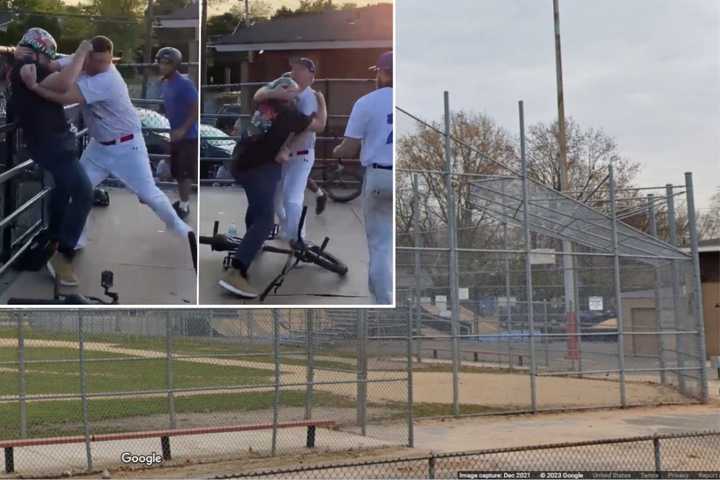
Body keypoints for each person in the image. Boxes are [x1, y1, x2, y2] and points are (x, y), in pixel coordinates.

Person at [21, 36, 197, 270]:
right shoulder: (79, 60)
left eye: (107, 61)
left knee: (149, 194)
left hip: (127, 146)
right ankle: (75, 241)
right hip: (99, 147)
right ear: (87, 58)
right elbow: (52, 68)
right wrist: (35, 67)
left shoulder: (109, 79)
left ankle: (181, 229)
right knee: (78, 192)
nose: (103, 65)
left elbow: (65, 96)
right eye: (99, 61)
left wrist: (33, 86)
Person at [219, 76, 327, 299]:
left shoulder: (262, 106)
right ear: (289, 96)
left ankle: (250, 247)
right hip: (259, 169)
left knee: (257, 208)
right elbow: (320, 125)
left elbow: (265, 133)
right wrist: (322, 104)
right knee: (266, 220)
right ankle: (237, 270)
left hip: (240, 164)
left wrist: (281, 150)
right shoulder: (291, 115)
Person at [8, 28, 94, 286]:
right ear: (37, 53)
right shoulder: (28, 66)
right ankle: (63, 255)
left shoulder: (29, 65)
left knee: (63, 189)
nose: (51, 63)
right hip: (51, 145)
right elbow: (64, 82)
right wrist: (81, 51)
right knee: (83, 192)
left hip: (55, 142)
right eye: (48, 58)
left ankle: (55, 238)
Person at [332, 51, 393, 304]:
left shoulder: (367, 102)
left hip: (379, 175)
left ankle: (382, 300)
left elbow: (350, 147)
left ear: (382, 72)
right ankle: (376, 291)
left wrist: (337, 151)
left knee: (380, 245)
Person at [259, 59, 326, 243]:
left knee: (292, 197)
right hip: (281, 154)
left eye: (300, 69)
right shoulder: (288, 92)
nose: (294, 72)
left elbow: (308, 129)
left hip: (300, 154)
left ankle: (298, 238)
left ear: (311, 75)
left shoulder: (309, 98)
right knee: (274, 196)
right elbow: (260, 96)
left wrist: (287, 149)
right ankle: (287, 228)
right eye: (293, 69)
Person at [155, 47, 198, 220]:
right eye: (161, 62)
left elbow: (195, 108)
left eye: (167, 63)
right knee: (177, 172)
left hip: (188, 136)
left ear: (175, 64)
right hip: (174, 134)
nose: (162, 66)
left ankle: (185, 205)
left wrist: (183, 129)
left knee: (185, 173)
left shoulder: (185, 83)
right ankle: (181, 202)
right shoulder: (166, 83)